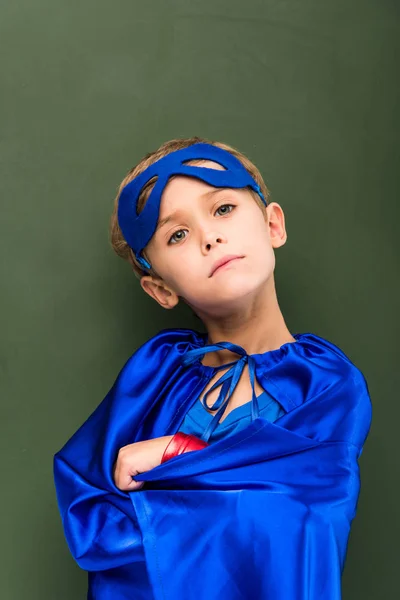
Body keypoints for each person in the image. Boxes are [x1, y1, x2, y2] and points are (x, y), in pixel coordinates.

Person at [53, 136, 372, 600]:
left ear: (272, 225)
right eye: (177, 235)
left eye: (222, 209)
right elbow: (97, 518)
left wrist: (174, 454)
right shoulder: (156, 376)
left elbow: (300, 516)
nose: (209, 236)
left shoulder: (324, 382)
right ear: (160, 289)